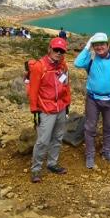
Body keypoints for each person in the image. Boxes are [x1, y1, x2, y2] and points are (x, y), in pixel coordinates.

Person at [74, 32, 110, 168]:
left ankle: (107, 151)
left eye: (102, 44)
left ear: (108, 45)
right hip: (92, 99)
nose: (99, 47)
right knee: (90, 127)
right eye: (96, 45)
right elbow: (77, 63)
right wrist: (87, 47)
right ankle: (90, 155)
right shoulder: (91, 57)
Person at [26, 37, 71, 183]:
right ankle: (36, 169)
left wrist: (67, 103)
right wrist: (34, 111)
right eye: (56, 50)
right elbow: (33, 91)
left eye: (61, 51)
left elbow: (66, 86)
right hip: (45, 109)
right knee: (43, 141)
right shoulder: (40, 66)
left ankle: (52, 163)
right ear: (49, 49)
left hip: (61, 107)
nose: (58, 53)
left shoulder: (63, 66)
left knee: (58, 137)